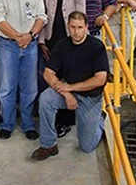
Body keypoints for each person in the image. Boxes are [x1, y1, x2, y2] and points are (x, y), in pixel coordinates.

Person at [33, 12, 109, 160]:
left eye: (80, 27)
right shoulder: (62, 45)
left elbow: (100, 80)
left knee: (86, 146)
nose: (76, 31)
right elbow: (48, 73)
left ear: (86, 27)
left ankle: (99, 120)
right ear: (68, 27)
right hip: (68, 91)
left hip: (90, 98)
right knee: (46, 99)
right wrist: (67, 93)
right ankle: (48, 144)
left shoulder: (96, 46)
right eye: (73, 27)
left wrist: (70, 88)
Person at [0, 0, 46, 139]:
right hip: (8, 46)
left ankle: (28, 124)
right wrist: (17, 37)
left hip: (30, 46)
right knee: (7, 86)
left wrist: (29, 36)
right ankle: (7, 124)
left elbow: (41, 17)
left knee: (29, 87)